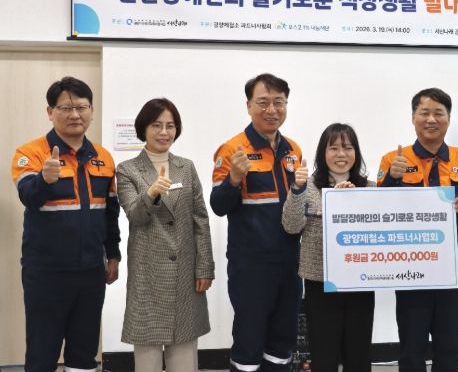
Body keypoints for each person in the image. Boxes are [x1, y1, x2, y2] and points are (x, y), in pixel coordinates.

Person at [11, 76, 121, 372]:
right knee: (43, 351)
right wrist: (44, 180)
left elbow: (110, 212)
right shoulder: (31, 153)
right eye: (66, 108)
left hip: (91, 271)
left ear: (91, 110)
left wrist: (113, 254)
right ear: (50, 112)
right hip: (46, 272)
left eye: (81, 107)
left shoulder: (103, 157)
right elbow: (28, 196)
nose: (75, 114)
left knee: (84, 352)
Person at [377, 87, 458, 372]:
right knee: (411, 347)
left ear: (448, 119)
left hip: (455, 272)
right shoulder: (393, 160)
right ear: (413, 117)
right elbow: (379, 213)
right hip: (412, 271)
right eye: (424, 112)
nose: (431, 119)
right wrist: (392, 179)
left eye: (439, 113)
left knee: (449, 347)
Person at [210, 73, 303, 372]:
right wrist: (234, 179)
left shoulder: (293, 150)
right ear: (249, 105)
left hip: (290, 263)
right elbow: (218, 206)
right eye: (263, 102)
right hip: (251, 266)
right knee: (249, 342)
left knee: (282, 341)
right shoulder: (231, 150)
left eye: (279, 102)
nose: (271, 110)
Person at [116, 98, 215, 371]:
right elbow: (135, 215)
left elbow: (200, 219)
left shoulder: (186, 167)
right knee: (147, 355)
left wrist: (204, 267)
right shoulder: (127, 169)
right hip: (147, 274)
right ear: (143, 128)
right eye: (156, 125)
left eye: (170, 126)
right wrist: (151, 192)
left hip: (185, 273)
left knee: (184, 354)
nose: (164, 132)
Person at [282, 123, 375, 372]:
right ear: (323, 153)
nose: (341, 154)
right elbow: (291, 226)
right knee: (324, 353)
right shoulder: (308, 185)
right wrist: (297, 190)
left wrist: (352, 202)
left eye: (348, 147)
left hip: (360, 281)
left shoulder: (370, 188)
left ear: (356, 152)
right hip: (320, 281)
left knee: (359, 353)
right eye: (333, 148)